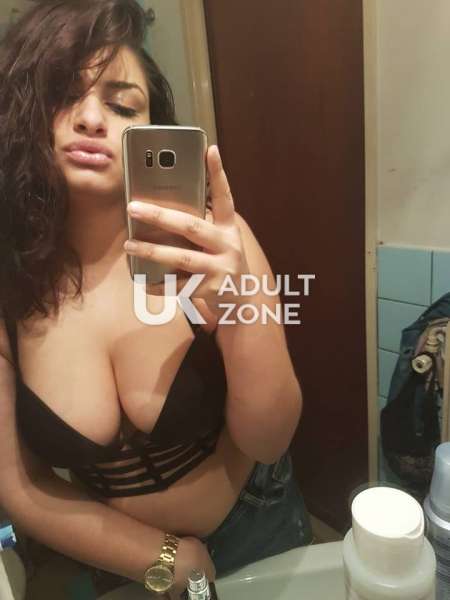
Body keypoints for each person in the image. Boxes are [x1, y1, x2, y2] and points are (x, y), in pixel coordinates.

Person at [0, 0, 313, 597]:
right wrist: (162, 558)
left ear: (151, 131)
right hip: (117, 556)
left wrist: (240, 309)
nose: (92, 118)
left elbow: (269, 440)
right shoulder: (10, 282)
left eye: (123, 105)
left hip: (258, 522)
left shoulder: (213, 242)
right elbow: (20, 485)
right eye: (63, 95)